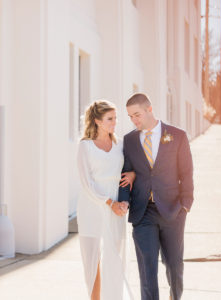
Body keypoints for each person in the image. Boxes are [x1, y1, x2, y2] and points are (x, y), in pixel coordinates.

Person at [118, 93, 194, 300]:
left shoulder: (177, 135)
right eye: (130, 117)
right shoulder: (130, 140)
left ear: (149, 109)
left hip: (173, 211)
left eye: (137, 115)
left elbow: (186, 172)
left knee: (174, 265)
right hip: (143, 213)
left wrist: (185, 205)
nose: (134, 120)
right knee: (147, 268)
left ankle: (175, 297)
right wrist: (124, 200)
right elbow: (126, 173)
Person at [77, 100, 135, 300]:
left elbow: (128, 172)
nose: (115, 122)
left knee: (114, 258)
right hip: (92, 207)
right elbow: (87, 183)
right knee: (93, 260)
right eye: (110, 119)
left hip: (117, 208)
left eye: (116, 118)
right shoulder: (85, 146)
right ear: (97, 121)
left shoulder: (120, 145)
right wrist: (109, 203)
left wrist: (123, 202)